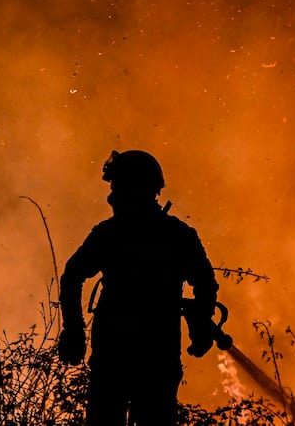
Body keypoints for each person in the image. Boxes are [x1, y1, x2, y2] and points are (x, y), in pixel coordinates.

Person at [58, 149, 221, 425]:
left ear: (130, 189)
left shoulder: (109, 234)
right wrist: (201, 321)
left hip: (115, 355)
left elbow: (72, 276)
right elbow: (205, 283)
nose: (111, 195)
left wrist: (74, 330)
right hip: (158, 354)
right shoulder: (178, 235)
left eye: (116, 186)